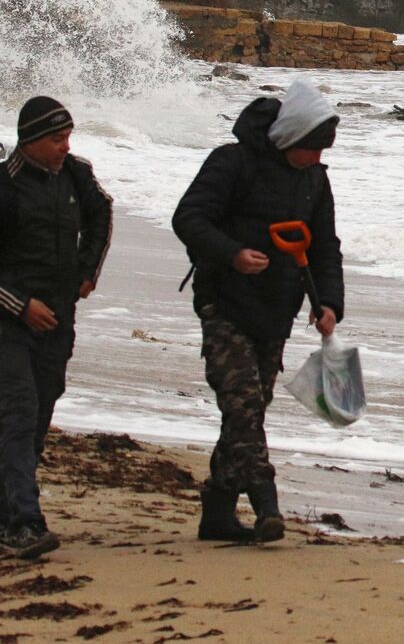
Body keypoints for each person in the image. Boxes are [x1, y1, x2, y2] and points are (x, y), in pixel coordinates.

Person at [172, 78, 343, 544]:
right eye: (312, 148)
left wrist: (328, 303)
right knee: (243, 407)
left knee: (247, 412)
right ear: (290, 138)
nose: (319, 158)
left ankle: (217, 513)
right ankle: (267, 503)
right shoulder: (232, 162)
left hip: (277, 309)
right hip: (224, 302)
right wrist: (233, 254)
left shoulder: (315, 179)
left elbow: (326, 245)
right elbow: (188, 218)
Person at [0, 96, 113, 559]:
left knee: (37, 420)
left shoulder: (77, 175)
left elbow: (102, 212)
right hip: (7, 324)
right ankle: (25, 521)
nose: (66, 147)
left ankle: (0, 521)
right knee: (19, 415)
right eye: (57, 139)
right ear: (31, 140)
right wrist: (20, 306)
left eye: (68, 138)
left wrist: (88, 270)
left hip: (59, 320)